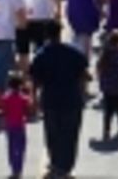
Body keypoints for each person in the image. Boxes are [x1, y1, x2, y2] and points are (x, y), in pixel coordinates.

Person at [28, 26, 89, 179]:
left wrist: (33, 98)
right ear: (60, 34)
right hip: (72, 99)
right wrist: (82, 93)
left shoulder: (41, 55)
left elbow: (34, 80)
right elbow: (84, 75)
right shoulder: (73, 52)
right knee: (70, 134)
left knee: (52, 133)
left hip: (50, 100)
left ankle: (55, 163)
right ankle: (65, 167)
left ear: (46, 36)